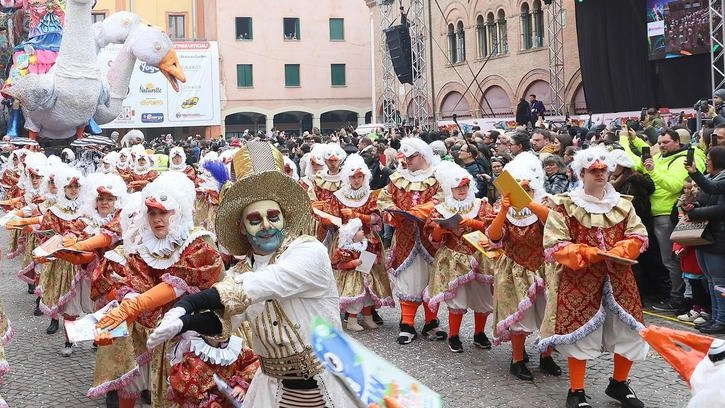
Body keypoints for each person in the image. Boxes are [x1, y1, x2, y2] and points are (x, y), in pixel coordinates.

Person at [145, 141, 356, 406]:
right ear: (242, 228)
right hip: (271, 389)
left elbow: (264, 283)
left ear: (284, 218)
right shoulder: (241, 270)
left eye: (273, 216)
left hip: (326, 382)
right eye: (255, 220)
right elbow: (224, 320)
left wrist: (188, 303)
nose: (267, 225)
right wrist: (186, 324)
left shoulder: (308, 251)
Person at [93, 171, 223, 408]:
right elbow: (135, 284)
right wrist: (116, 318)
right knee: (136, 373)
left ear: (178, 212)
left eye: (163, 212)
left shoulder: (199, 242)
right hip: (156, 328)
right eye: (152, 213)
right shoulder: (144, 246)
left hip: (194, 328)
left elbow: (177, 287)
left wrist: (134, 305)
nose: (157, 219)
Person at [540, 146, 649, 408]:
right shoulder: (564, 205)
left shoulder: (623, 204)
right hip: (579, 281)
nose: (600, 174)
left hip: (620, 279)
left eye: (603, 170)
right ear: (581, 173)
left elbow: (638, 234)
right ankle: (576, 391)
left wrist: (624, 248)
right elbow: (555, 244)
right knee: (579, 335)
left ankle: (619, 384)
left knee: (629, 331)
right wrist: (589, 253)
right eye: (594, 170)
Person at [486, 154, 561, 381]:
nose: (523, 191)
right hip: (513, 267)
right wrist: (502, 211)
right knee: (519, 315)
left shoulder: (546, 202)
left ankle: (546, 355)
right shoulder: (504, 207)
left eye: (526, 187)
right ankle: (517, 358)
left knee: (548, 313)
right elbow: (494, 236)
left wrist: (529, 202)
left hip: (544, 267)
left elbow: (554, 223)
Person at [377, 138, 446, 345]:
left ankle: (431, 322)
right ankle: (406, 323)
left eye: (411, 157)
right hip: (405, 236)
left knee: (431, 278)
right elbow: (384, 199)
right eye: (405, 157)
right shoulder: (397, 178)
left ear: (423, 155)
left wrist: (422, 211)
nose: (407, 161)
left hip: (431, 237)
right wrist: (393, 214)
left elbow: (443, 198)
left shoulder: (438, 176)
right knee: (408, 277)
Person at [424, 161, 494, 353]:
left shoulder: (482, 205)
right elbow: (434, 240)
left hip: (479, 256)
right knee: (457, 299)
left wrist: (473, 222)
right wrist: (440, 228)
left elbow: (493, 230)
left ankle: (479, 333)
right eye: (457, 187)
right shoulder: (441, 209)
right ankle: (454, 335)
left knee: (483, 297)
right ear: (450, 189)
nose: (461, 190)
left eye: (464, 186)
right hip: (453, 257)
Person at [326, 154, 393, 329]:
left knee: (367, 276)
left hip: (368, 241)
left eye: (360, 177)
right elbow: (331, 219)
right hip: (344, 242)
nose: (356, 180)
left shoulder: (370, 195)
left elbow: (376, 218)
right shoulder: (338, 196)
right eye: (353, 177)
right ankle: (350, 314)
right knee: (348, 275)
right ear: (347, 177)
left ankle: (368, 314)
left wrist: (357, 216)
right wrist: (338, 222)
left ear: (365, 177)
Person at [644, 129, 705, 313]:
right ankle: (680, 297)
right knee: (670, 260)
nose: (661, 145)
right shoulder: (663, 158)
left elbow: (675, 186)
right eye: (660, 142)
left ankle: (679, 299)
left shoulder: (682, 159)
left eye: (666, 142)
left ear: (677, 142)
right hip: (659, 214)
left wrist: (652, 172)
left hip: (669, 216)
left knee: (673, 260)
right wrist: (627, 138)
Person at [684, 145, 725, 334]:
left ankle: (721, 319)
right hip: (705, 237)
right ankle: (715, 317)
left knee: (719, 282)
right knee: (710, 280)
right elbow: (706, 197)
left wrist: (695, 213)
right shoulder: (711, 178)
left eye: (709, 158)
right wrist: (693, 205)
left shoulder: (721, 180)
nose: (706, 161)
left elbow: (720, 209)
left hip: (719, 238)